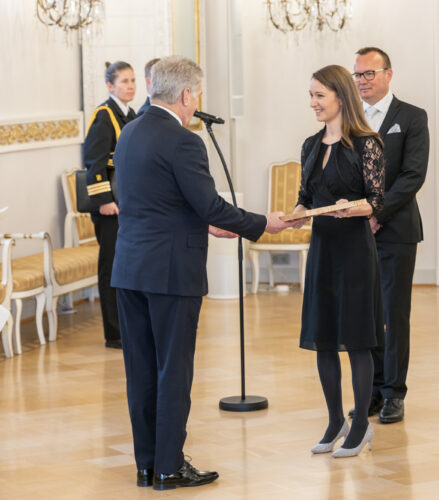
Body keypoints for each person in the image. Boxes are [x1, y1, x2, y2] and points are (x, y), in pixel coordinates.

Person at [111, 55, 293, 490]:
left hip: (129, 269)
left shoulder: (130, 132)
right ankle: (170, 467)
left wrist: (202, 222)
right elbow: (209, 204)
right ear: (187, 94)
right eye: (197, 96)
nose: (196, 105)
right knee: (173, 370)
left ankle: (148, 464)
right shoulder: (184, 141)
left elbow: (150, 202)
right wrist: (260, 223)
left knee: (140, 371)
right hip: (171, 272)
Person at [290, 64, 385, 458]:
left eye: (319, 96)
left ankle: (361, 425)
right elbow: (305, 200)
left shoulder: (367, 144)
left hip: (355, 252)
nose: (312, 103)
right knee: (324, 339)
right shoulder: (311, 145)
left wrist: (354, 208)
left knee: (358, 341)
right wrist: (290, 216)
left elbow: (378, 201)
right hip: (322, 252)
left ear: (341, 98)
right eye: (311, 95)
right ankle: (334, 421)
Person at [350, 46, 429, 424]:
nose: (362, 81)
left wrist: (377, 211)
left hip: (396, 230)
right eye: (358, 75)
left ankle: (394, 393)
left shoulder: (412, 117)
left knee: (393, 314)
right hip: (356, 232)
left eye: (369, 74)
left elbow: (413, 175)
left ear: (388, 75)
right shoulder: (349, 119)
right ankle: (372, 392)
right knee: (366, 314)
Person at [83, 60, 136, 349]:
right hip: (109, 205)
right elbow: (94, 161)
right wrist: (103, 200)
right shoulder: (104, 115)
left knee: (125, 265)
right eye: (124, 81)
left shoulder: (130, 114)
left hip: (126, 202)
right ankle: (114, 332)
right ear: (109, 85)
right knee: (111, 267)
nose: (130, 86)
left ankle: (126, 326)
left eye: (132, 81)